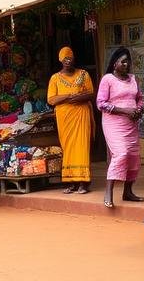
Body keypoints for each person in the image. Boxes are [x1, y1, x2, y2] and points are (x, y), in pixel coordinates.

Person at [97, 46, 144, 209]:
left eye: (128, 61)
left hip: (131, 123)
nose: (127, 64)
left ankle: (128, 191)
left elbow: (140, 98)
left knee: (133, 155)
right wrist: (124, 110)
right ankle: (109, 192)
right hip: (114, 123)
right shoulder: (108, 79)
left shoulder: (133, 79)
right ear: (114, 63)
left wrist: (138, 110)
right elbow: (101, 103)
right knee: (121, 153)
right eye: (123, 62)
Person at [48, 46, 95, 194]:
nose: (68, 61)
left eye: (70, 58)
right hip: (65, 118)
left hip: (81, 114)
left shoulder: (83, 74)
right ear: (60, 60)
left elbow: (90, 93)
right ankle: (71, 182)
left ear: (74, 59)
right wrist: (68, 96)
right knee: (68, 148)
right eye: (65, 58)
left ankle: (83, 182)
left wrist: (78, 98)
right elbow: (51, 99)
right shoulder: (55, 78)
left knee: (82, 147)